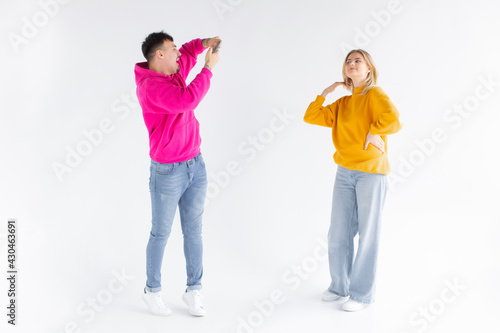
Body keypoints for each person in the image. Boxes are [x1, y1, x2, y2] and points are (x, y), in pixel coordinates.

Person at [303, 49, 402, 312]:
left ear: (369, 68)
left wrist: (373, 131)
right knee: (338, 233)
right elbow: (311, 116)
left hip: (371, 172)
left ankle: (361, 295)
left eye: (358, 60)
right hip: (344, 173)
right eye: (348, 61)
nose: (352, 64)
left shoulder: (376, 94)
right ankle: (339, 286)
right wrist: (325, 93)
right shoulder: (343, 103)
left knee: (368, 235)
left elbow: (393, 120)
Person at [134, 31, 221, 317]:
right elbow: (187, 100)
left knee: (193, 231)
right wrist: (208, 68)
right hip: (167, 172)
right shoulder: (151, 88)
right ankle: (152, 290)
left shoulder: (172, 68)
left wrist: (203, 44)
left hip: (195, 165)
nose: (178, 55)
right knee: (161, 232)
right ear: (159, 55)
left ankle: (193, 290)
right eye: (171, 50)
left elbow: (187, 50)